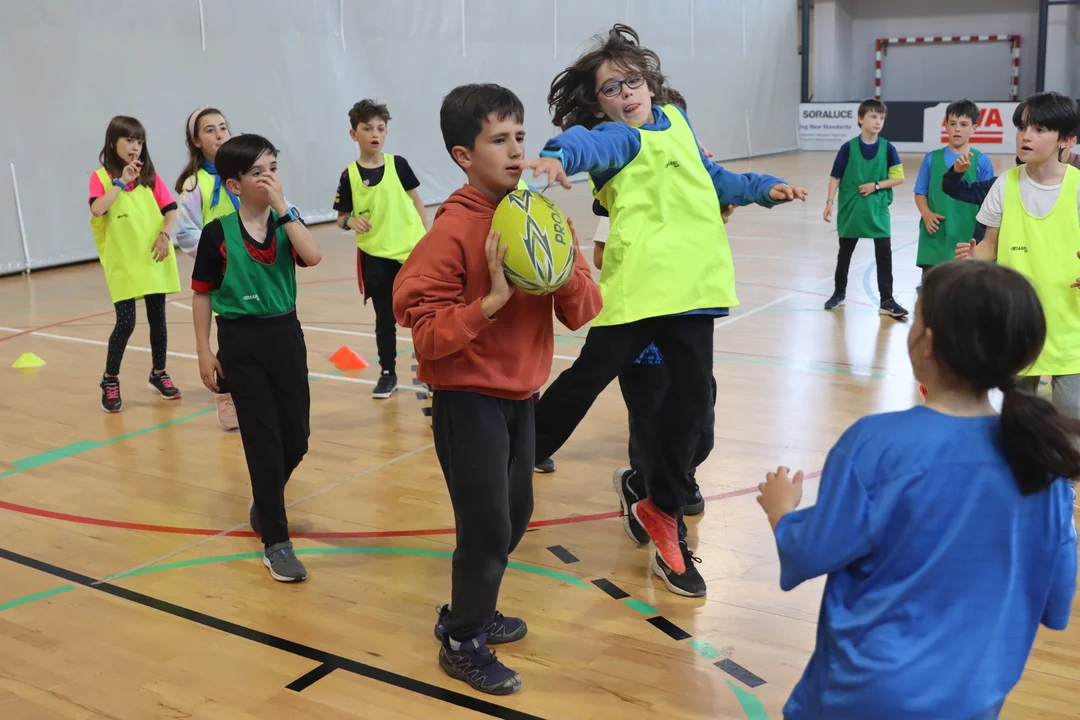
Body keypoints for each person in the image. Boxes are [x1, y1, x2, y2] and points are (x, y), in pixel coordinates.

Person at [525, 24, 806, 584]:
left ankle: (663, 508)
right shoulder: (618, 138)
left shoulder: (677, 122)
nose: (626, 93)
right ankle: (515, 456)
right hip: (639, 294)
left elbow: (714, 178)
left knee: (693, 404)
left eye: (632, 82)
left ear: (650, 84)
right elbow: (587, 145)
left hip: (695, 289)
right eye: (611, 88)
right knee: (585, 382)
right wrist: (558, 155)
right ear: (599, 103)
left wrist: (761, 188)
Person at [758, 260, 1077, 719]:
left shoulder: (876, 444)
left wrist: (782, 511)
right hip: (975, 699)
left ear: (926, 343)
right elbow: (1056, 602)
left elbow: (809, 551)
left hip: (864, 697)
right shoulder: (1043, 464)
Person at [393, 83, 602, 695]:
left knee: (513, 519)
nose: (516, 152)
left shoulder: (537, 216)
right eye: (498, 140)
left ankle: (471, 610)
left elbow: (583, 311)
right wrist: (489, 303)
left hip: (522, 397)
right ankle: (462, 639)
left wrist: (563, 267)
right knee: (485, 529)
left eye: (520, 137)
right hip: (467, 401)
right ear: (463, 155)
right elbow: (425, 333)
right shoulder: (451, 231)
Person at [190, 134, 323, 583]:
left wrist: (284, 208)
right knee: (263, 443)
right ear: (235, 184)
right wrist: (204, 350)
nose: (269, 178)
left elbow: (314, 255)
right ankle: (276, 544)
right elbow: (202, 294)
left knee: (297, 439)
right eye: (257, 172)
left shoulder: (287, 222)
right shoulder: (217, 233)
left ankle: (265, 500)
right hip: (241, 343)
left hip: (286, 335)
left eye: (273, 169)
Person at [956, 91, 1080, 418]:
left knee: (1073, 415)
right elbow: (990, 246)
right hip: (1018, 322)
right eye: (1022, 127)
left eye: (1039, 129)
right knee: (1019, 415)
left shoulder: (1078, 186)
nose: (1026, 136)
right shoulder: (1004, 185)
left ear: (1065, 140)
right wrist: (973, 258)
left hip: (1072, 324)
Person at [334, 99, 429, 399]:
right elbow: (340, 218)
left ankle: (429, 372)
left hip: (410, 253)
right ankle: (388, 373)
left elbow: (416, 202)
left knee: (420, 315)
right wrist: (350, 221)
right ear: (354, 134)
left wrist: (428, 240)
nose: (375, 134)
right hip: (375, 257)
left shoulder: (398, 165)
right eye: (367, 128)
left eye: (381, 128)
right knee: (384, 318)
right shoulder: (349, 175)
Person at [89, 115, 181, 413]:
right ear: (112, 143)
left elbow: (171, 210)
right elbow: (98, 209)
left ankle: (158, 372)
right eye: (129, 140)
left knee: (158, 319)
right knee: (126, 322)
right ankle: (110, 378)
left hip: (153, 257)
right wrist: (121, 182)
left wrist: (165, 235)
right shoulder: (101, 178)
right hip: (123, 263)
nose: (135, 147)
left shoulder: (150, 176)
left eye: (140, 142)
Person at [175, 106, 240, 431]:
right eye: (210, 130)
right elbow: (185, 232)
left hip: (256, 267)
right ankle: (226, 395)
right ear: (196, 141)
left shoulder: (245, 172)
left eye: (223, 127)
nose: (219, 134)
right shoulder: (193, 184)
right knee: (231, 336)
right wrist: (220, 252)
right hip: (223, 272)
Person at [822, 99, 908, 318]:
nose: (878, 122)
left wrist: (876, 186)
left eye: (881, 118)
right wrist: (829, 202)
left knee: (884, 255)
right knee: (845, 254)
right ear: (860, 119)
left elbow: (898, 178)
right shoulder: (847, 148)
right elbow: (835, 177)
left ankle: (887, 300)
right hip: (852, 210)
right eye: (873, 117)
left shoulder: (888, 148)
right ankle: (839, 293)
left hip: (877, 210)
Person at [913, 99, 995, 276]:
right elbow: (920, 192)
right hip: (935, 233)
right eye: (952, 124)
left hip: (966, 236)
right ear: (946, 126)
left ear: (974, 128)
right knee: (931, 286)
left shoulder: (982, 161)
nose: (957, 129)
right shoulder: (931, 159)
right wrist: (926, 214)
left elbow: (988, 201)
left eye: (963, 124)